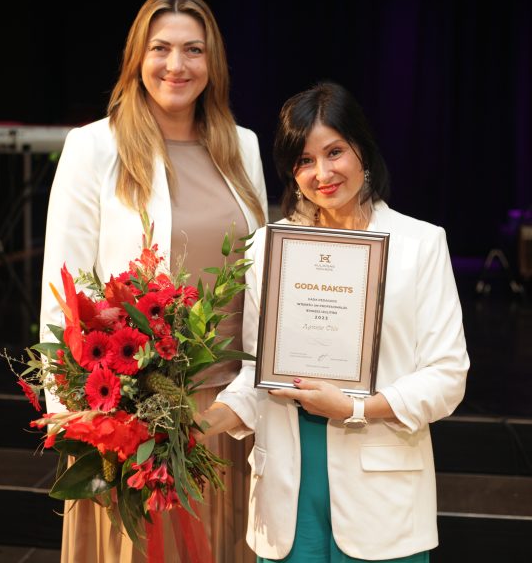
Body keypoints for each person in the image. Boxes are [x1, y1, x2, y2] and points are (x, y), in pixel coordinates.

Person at [39, 0, 268, 563]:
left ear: (213, 63)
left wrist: (246, 401)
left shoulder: (243, 147)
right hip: (130, 421)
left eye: (193, 50)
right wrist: (74, 417)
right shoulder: (94, 147)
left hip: (228, 416)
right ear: (137, 57)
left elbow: (263, 281)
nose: (176, 65)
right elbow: (63, 288)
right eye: (160, 48)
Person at [197, 82, 470, 562]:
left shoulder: (419, 244)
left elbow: (448, 376)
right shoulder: (269, 247)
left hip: (382, 497)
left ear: (362, 148)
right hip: (287, 495)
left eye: (335, 152)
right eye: (304, 160)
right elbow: (257, 373)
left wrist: (357, 408)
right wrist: (202, 424)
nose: (321, 173)